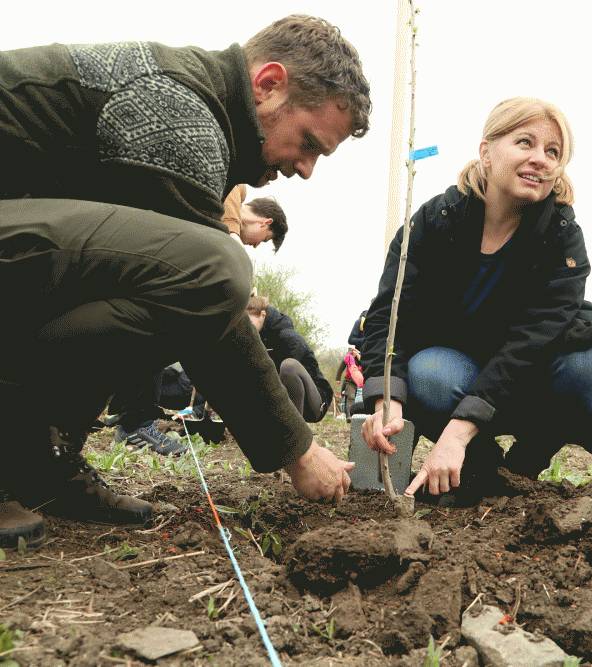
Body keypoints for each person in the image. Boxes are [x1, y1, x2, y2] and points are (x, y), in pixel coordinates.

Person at [0, 15, 371, 549]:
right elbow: (215, 314)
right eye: (308, 143)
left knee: (170, 293)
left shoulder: (202, 111)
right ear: (268, 85)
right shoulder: (176, 114)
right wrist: (299, 453)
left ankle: (42, 459)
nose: (307, 169)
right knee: (216, 269)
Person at [359, 98, 592, 501]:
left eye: (553, 152)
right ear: (486, 151)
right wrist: (385, 400)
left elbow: (532, 342)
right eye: (525, 143)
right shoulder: (434, 221)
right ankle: (482, 464)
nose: (540, 159)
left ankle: (523, 466)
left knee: (587, 367)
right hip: (457, 375)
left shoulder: (563, 237)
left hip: (527, 378)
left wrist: (458, 430)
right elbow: (389, 315)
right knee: (427, 371)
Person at [108, 188, 290, 457]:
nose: (255, 245)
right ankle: (136, 423)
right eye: (263, 240)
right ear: (265, 223)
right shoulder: (236, 191)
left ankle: (129, 417)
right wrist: (235, 251)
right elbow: (234, 192)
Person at [247, 296, 334, 423]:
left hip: (315, 402)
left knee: (289, 367)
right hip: (283, 400)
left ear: (262, 315)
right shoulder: (255, 341)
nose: (247, 328)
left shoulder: (288, 337)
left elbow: (282, 381)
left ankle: (295, 432)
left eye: (249, 323)